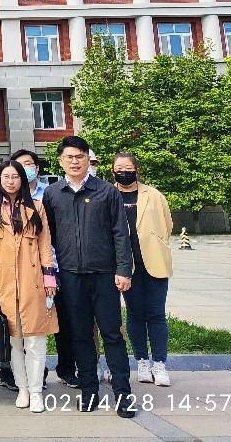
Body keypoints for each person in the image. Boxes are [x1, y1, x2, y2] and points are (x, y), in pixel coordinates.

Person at [43, 136, 135, 417]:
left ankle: (123, 394)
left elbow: (121, 234)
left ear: (88, 160)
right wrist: (51, 273)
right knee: (80, 336)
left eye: (79, 157)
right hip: (70, 276)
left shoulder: (107, 191)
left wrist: (123, 270)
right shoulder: (53, 193)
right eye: (69, 157)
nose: (74, 162)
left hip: (104, 275)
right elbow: (49, 238)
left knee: (112, 335)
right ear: (60, 161)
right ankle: (88, 391)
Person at [0, 160, 58, 413]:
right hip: (4, 283)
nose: (10, 181)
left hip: (33, 281)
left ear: (22, 179)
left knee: (35, 339)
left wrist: (49, 277)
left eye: (15, 176)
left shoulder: (36, 207)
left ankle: (36, 391)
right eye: (6, 176)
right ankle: (22, 388)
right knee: (13, 339)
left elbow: (45, 244)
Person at [14, 147, 75, 388]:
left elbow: (52, 233)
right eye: (19, 166)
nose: (24, 169)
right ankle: (33, 374)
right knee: (26, 324)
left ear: (37, 168)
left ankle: (66, 367)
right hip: (24, 272)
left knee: (63, 320)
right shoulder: (7, 199)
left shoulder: (49, 193)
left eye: (28, 164)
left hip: (55, 265)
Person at [112, 152, 173, 387]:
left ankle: (159, 363)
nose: (124, 172)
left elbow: (167, 225)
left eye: (128, 168)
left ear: (137, 170)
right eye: (119, 168)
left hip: (154, 262)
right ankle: (142, 361)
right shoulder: (108, 194)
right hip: (126, 266)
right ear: (113, 171)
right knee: (135, 314)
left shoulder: (154, 195)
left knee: (157, 314)